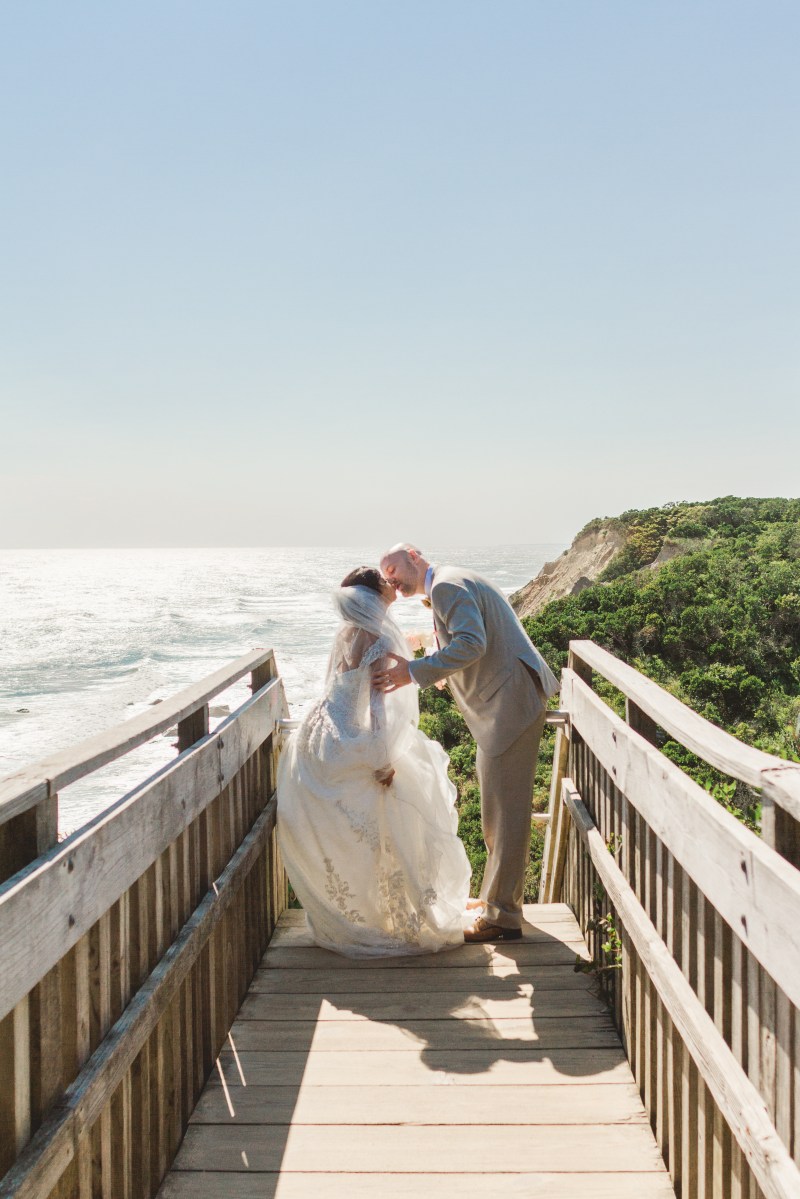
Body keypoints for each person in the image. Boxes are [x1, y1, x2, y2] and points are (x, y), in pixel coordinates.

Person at [277, 566, 471, 958]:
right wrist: (381, 759)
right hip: (352, 742)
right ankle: (396, 916)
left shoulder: (346, 632)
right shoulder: (379, 637)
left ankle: (355, 914)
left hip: (319, 734)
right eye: (384, 581)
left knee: (350, 832)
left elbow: (335, 688)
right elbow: (379, 707)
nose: (391, 583)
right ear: (372, 594)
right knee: (393, 822)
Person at [375, 545, 559, 942]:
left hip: (510, 706)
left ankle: (503, 916)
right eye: (384, 575)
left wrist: (415, 671)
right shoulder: (446, 583)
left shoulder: (445, 586)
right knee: (496, 812)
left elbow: (472, 643)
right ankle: (497, 899)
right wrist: (431, 644)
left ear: (414, 555)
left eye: (393, 567)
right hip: (504, 707)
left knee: (507, 815)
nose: (390, 579)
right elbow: (471, 638)